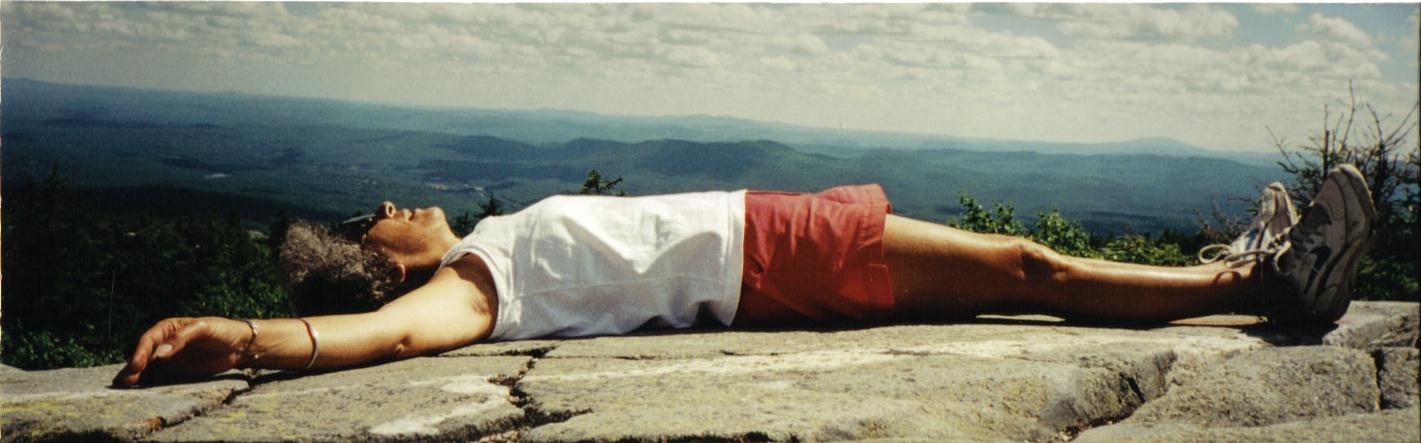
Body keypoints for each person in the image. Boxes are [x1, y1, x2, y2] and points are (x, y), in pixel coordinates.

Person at [111, 165, 1374, 387]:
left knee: (1014, 269)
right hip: (770, 255)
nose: (390, 205)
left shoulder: (484, 248)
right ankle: (1259, 285)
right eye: (372, 221)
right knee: (1022, 263)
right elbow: (388, 340)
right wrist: (249, 333)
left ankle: (1245, 278)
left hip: (769, 233)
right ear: (377, 267)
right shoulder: (467, 286)